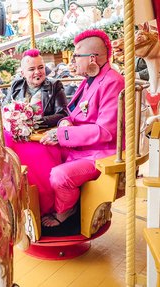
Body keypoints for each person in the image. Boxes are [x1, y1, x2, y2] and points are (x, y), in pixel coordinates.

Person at [0, 49, 68, 216]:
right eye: (32, 69)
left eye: (40, 67)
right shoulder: (17, 84)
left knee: (11, 142)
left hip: (38, 133)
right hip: (16, 127)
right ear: (23, 72)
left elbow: (63, 114)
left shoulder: (54, 85)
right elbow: (5, 107)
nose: (37, 72)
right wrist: (12, 116)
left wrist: (34, 120)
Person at [40, 29, 125, 227]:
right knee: (39, 150)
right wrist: (64, 123)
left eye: (77, 56)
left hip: (101, 154)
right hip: (81, 148)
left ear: (93, 58)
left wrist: (63, 134)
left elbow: (105, 131)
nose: (73, 60)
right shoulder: (90, 81)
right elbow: (74, 115)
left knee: (60, 176)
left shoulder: (113, 82)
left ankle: (66, 211)